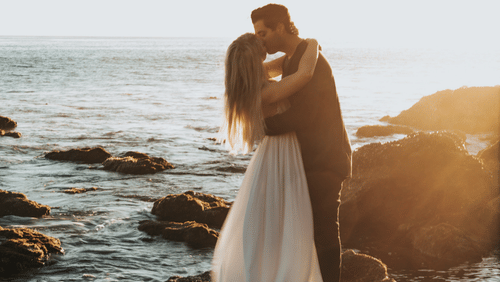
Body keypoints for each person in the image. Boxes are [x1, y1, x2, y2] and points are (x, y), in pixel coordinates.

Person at [211, 31, 324, 281]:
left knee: (269, 221)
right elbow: (305, 73)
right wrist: (313, 42)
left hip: (272, 154)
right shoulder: (267, 93)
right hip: (283, 154)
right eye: (261, 47)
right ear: (254, 63)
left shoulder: (247, 87)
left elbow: (281, 65)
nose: (266, 45)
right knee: (287, 220)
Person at [252, 4, 352, 282]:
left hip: (326, 161)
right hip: (306, 160)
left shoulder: (312, 60)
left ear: (280, 27)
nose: (260, 39)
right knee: (299, 234)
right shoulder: (291, 59)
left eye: (262, 33)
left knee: (324, 235)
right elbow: (256, 72)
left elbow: (305, 115)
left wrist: (260, 126)